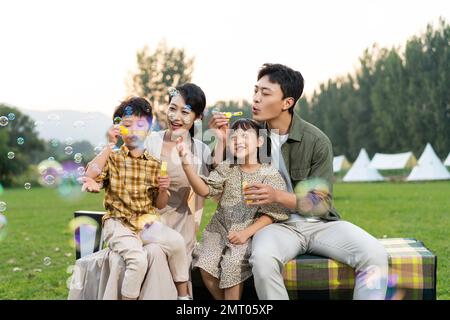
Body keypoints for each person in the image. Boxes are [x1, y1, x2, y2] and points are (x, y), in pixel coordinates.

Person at [209, 63, 389, 300]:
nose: (255, 99)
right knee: (263, 260)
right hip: (273, 225)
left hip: (320, 224)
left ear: (287, 102)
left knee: (374, 254)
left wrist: (277, 196)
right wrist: (220, 139)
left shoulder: (316, 141)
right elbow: (216, 178)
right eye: (255, 91)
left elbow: (320, 203)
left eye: (265, 93)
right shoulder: (249, 136)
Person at [81, 96, 191, 300]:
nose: (132, 131)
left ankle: (183, 297)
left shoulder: (154, 163)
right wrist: (108, 146)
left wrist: (163, 190)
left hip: (146, 223)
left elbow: (160, 204)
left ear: (148, 128)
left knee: (176, 241)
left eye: (139, 125)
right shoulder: (112, 158)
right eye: (126, 125)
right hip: (118, 223)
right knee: (137, 260)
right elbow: (91, 173)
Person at [176, 118, 290, 300]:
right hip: (219, 230)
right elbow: (205, 190)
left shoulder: (269, 174)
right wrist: (187, 167)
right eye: (234, 137)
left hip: (248, 231)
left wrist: (246, 233)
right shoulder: (227, 167)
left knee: (232, 264)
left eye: (245, 135)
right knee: (205, 265)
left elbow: (272, 214)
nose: (238, 140)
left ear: (260, 141)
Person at [144, 83, 212, 296]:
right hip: (147, 218)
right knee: (153, 255)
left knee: (177, 252)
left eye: (185, 112)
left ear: (198, 118)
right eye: (172, 108)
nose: (176, 116)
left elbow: (205, 193)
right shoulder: (149, 143)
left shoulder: (201, 150)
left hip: (181, 225)